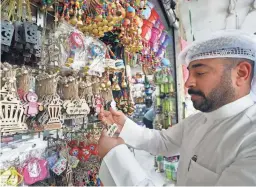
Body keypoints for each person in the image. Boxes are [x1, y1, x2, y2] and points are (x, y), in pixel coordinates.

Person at [98, 30, 256, 186]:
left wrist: (116, 156)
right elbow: (164, 142)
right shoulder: (200, 119)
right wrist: (124, 125)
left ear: (241, 73)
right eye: (190, 73)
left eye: (200, 73)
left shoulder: (250, 139)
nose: (188, 83)